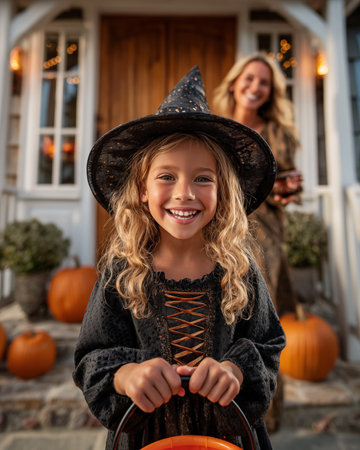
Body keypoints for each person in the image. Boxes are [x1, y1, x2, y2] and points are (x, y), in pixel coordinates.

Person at [73, 66, 286, 450]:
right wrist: (126, 376)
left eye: (203, 178)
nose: (185, 193)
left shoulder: (240, 271)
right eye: (166, 176)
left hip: (229, 437)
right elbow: (91, 357)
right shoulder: (123, 273)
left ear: (223, 191)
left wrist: (235, 370)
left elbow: (269, 346)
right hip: (144, 438)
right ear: (141, 188)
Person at [213, 52, 302, 432]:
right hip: (216, 227)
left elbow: (286, 185)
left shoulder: (279, 132)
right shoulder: (214, 124)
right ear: (235, 82)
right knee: (218, 315)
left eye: (263, 82)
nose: (254, 87)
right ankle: (217, 409)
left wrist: (287, 191)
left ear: (270, 92)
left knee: (261, 320)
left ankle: (266, 415)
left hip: (263, 231)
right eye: (248, 78)